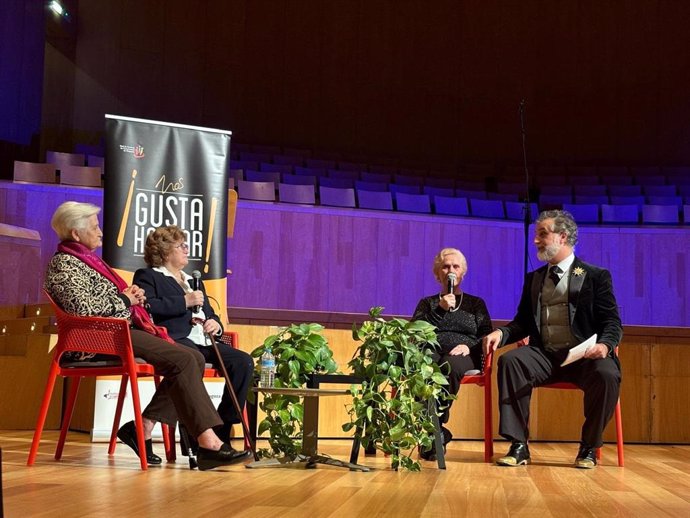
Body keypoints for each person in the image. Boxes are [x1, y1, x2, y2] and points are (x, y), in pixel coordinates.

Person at [44, 201, 249, 470]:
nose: (101, 232)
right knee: (188, 358)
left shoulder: (87, 260)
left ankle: (143, 427)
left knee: (192, 358)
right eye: (95, 227)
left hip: (118, 330)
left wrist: (133, 299)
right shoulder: (64, 264)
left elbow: (107, 301)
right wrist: (127, 299)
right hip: (97, 338)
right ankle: (208, 442)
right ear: (75, 233)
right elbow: (83, 309)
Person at [483, 209, 622, 469]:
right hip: (544, 355)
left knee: (607, 374)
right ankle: (519, 444)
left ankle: (589, 446)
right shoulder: (533, 279)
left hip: (584, 357)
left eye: (542, 234)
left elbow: (612, 322)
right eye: (537, 235)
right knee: (512, 361)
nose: (536, 240)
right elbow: (522, 322)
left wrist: (605, 345)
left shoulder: (595, 276)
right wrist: (501, 333)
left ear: (563, 236)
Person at [133, 225, 254, 445]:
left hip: (204, 341)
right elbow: (147, 307)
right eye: (181, 246)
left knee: (242, 362)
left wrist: (215, 324)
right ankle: (199, 433)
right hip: (175, 339)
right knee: (187, 362)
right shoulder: (149, 276)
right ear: (165, 251)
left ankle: (224, 424)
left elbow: (210, 313)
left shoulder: (192, 280)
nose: (187, 250)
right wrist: (184, 302)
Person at [412, 247, 493, 460]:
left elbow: (486, 335)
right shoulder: (427, 303)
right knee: (424, 368)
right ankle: (437, 431)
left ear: (462, 272)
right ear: (438, 273)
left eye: (455, 266)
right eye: (445, 266)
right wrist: (439, 309)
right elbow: (416, 333)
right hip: (431, 352)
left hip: (464, 355)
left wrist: (470, 347)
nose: (450, 270)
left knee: (449, 365)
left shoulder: (476, 303)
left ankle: (434, 428)